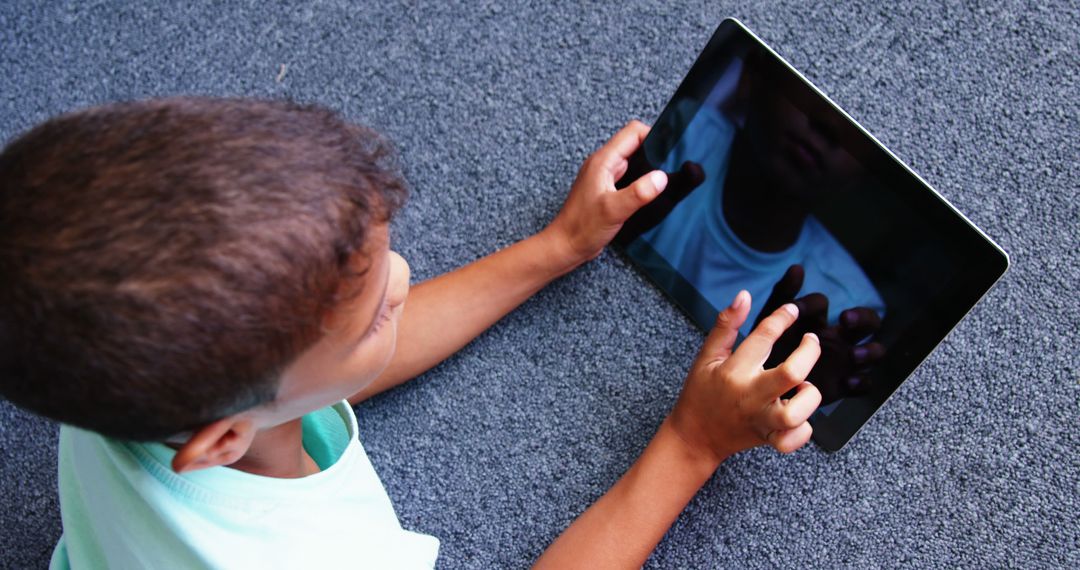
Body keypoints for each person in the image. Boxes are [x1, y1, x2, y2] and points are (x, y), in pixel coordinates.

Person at [0, 98, 824, 569]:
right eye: (368, 319)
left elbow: (324, 370)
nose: (402, 281)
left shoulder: (104, 370)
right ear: (222, 440)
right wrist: (691, 443)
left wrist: (556, 247)